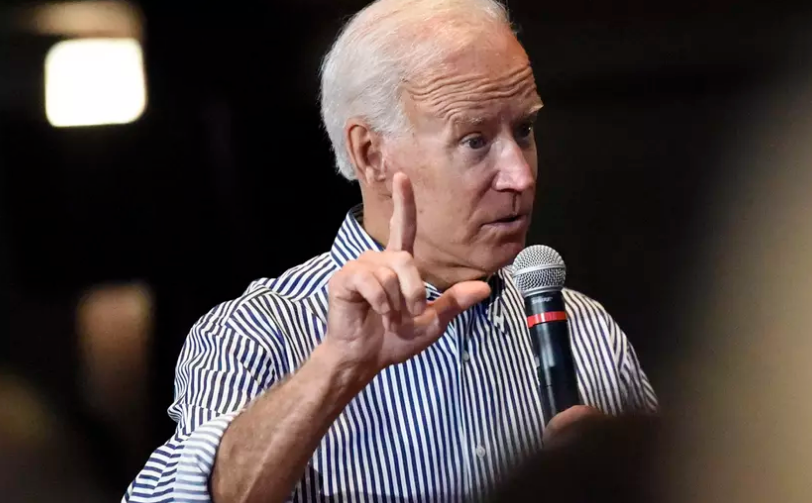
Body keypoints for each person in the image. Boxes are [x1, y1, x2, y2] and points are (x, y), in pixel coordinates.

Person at [123, 0, 657, 501]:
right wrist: (337, 368)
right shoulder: (254, 335)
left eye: (524, 130)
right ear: (371, 154)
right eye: (474, 140)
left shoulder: (590, 333)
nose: (520, 176)